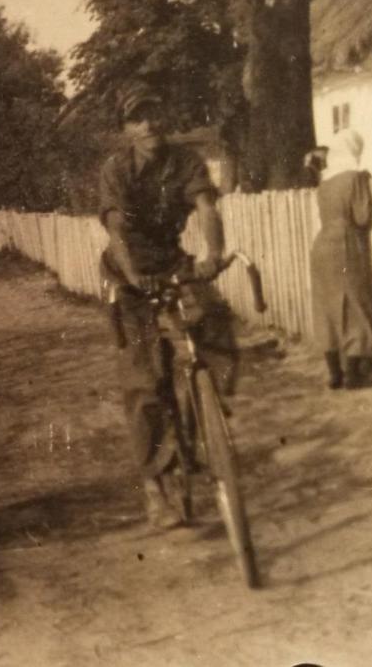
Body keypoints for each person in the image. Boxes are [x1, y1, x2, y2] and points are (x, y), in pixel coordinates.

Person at [98, 80, 239, 530]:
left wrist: (213, 255)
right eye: (139, 117)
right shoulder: (116, 170)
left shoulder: (184, 161)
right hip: (129, 274)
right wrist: (134, 277)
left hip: (174, 264)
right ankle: (156, 486)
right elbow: (116, 231)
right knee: (144, 380)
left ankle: (206, 422)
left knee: (216, 329)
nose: (150, 123)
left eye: (155, 113)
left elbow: (205, 208)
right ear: (126, 128)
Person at [309, 128, 372, 390]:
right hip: (345, 242)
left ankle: (334, 374)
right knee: (353, 302)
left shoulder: (324, 183)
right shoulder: (357, 178)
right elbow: (362, 218)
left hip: (321, 245)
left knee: (326, 306)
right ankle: (354, 374)